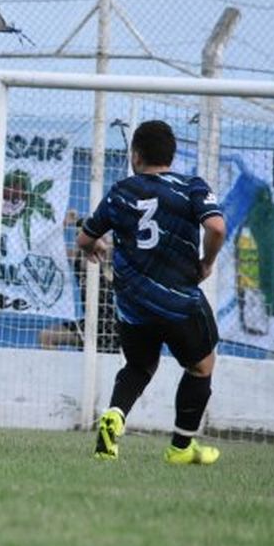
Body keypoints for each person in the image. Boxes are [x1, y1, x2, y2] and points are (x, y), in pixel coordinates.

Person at [78, 119, 227, 466]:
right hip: (179, 300)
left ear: (136, 154)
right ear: (171, 155)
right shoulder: (191, 187)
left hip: (133, 303)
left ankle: (114, 416)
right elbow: (217, 227)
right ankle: (180, 447)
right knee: (201, 366)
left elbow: (84, 238)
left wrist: (95, 246)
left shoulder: (121, 192)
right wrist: (207, 261)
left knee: (139, 365)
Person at [38, 209, 119, 353]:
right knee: (47, 336)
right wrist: (64, 223)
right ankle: (56, 375)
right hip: (89, 324)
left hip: (114, 328)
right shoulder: (77, 257)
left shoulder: (108, 253)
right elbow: (45, 248)